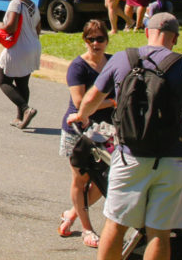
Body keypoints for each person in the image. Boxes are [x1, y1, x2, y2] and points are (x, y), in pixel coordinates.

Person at [67, 13, 182, 260]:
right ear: (174, 38)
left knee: (116, 225)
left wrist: (82, 117)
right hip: (172, 160)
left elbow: (88, 100)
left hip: (129, 157)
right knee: (159, 233)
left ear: (146, 33)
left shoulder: (122, 59)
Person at [57, 19, 114, 249]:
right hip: (78, 130)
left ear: (107, 40)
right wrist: (113, 102)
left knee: (103, 181)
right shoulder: (78, 67)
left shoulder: (112, 62)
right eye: (91, 39)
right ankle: (87, 228)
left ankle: (72, 214)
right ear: (84, 40)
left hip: (106, 132)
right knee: (81, 181)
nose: (95, 43)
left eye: (100, 38)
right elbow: (81, 104)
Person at [0, 0, 41, 129]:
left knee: (3, 80)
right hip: (33, 46)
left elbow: (11, 27)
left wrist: (0, 28)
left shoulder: (15, 3)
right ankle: (20, 118)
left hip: (18, 48)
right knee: (22, 83)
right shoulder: (33, 4)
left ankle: (26, 109)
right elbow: (38, 28)